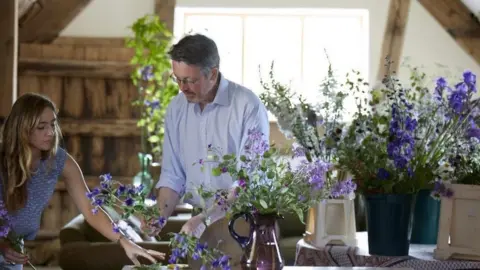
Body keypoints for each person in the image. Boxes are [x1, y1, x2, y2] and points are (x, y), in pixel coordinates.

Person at [0, 93, 165, 269]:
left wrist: (125, 241)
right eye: (41, 127)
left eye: (53, 124)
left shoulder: (59, 161)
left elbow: (89, 207)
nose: (50, 132)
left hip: (13, 252)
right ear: (22, 128)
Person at [149, 33, 270, 267]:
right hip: (197, 223)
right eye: (178, 79)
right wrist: (159, 216)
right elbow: (173, 175)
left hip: (240, 221)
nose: (182, 88)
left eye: (190, 80)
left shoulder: (247, 106)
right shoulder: (176, 109)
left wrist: (205, 219)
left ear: (212, 74)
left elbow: (247, 180)